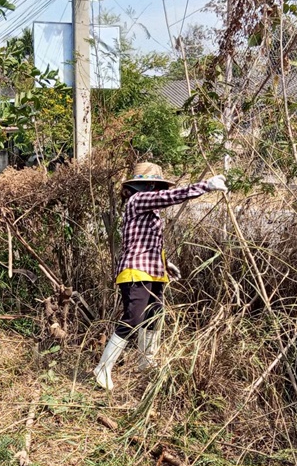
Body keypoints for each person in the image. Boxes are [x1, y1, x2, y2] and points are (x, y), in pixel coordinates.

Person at [92, 162, 228, 390]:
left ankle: (146, 363)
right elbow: (170, 197)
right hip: (135, 271)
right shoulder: (138, 201)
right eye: (155, 186)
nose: (156, 190)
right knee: (133, 319)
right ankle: (103, 368)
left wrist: (165, 264)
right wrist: (206, 186)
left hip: (153, 272)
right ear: (148, 185)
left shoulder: (149, 209)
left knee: (154, 316)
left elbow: (147, 242)